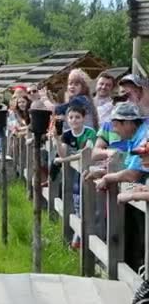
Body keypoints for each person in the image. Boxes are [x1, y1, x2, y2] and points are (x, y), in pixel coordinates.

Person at [52, 105, 97, 248]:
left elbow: (85, 154)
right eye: (71, 117)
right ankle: (77, 241)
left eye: (77, 117)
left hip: (89, 171)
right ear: (67, 119)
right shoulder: (66, 134)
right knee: (77, 205)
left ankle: (78, 241)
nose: (74, 120)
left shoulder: (90, 133)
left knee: (88, 207)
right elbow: (63, 153)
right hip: (75, 174)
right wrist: (57, 140)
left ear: (83, 118)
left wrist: (63, 161)